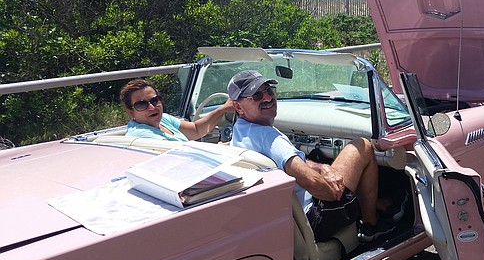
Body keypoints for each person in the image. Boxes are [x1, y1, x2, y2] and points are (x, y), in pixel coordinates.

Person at [226, 70, 402, 243]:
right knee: (362, 146)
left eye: (269, 90)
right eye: (256, 95)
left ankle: (375, 203)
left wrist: (322, 167)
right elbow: (312, 183)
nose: (268, 98)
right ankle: (372, 225)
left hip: (289, 219)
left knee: (330, 169)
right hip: (315, 218)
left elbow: (292, 164)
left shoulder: (239, 131)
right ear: (238, 107)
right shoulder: (269, 137)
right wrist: (340, 196)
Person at [120, 78, 234, 141]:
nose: (151, 107)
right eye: (141, 104)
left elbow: (196, 130)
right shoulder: (140, 135)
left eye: (155, 100)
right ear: (131, 112)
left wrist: (223, 109)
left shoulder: (163, 119)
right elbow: (179, 153)